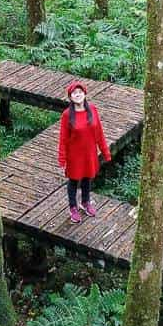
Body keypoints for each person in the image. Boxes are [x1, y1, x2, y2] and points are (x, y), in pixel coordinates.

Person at [58, 80, 111, 223]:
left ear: (85, 94)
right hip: (74, 155)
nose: (78, 95)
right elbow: (63, 138)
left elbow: (99, 132)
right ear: (70, 97)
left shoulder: (92, 109)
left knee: (88, 177)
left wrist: (105, 152)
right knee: (74, 180)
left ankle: (85, 202)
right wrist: (62, 158)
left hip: (90, 153)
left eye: (80, 92)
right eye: (74, 93)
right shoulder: (67, 114)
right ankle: (73, 207)